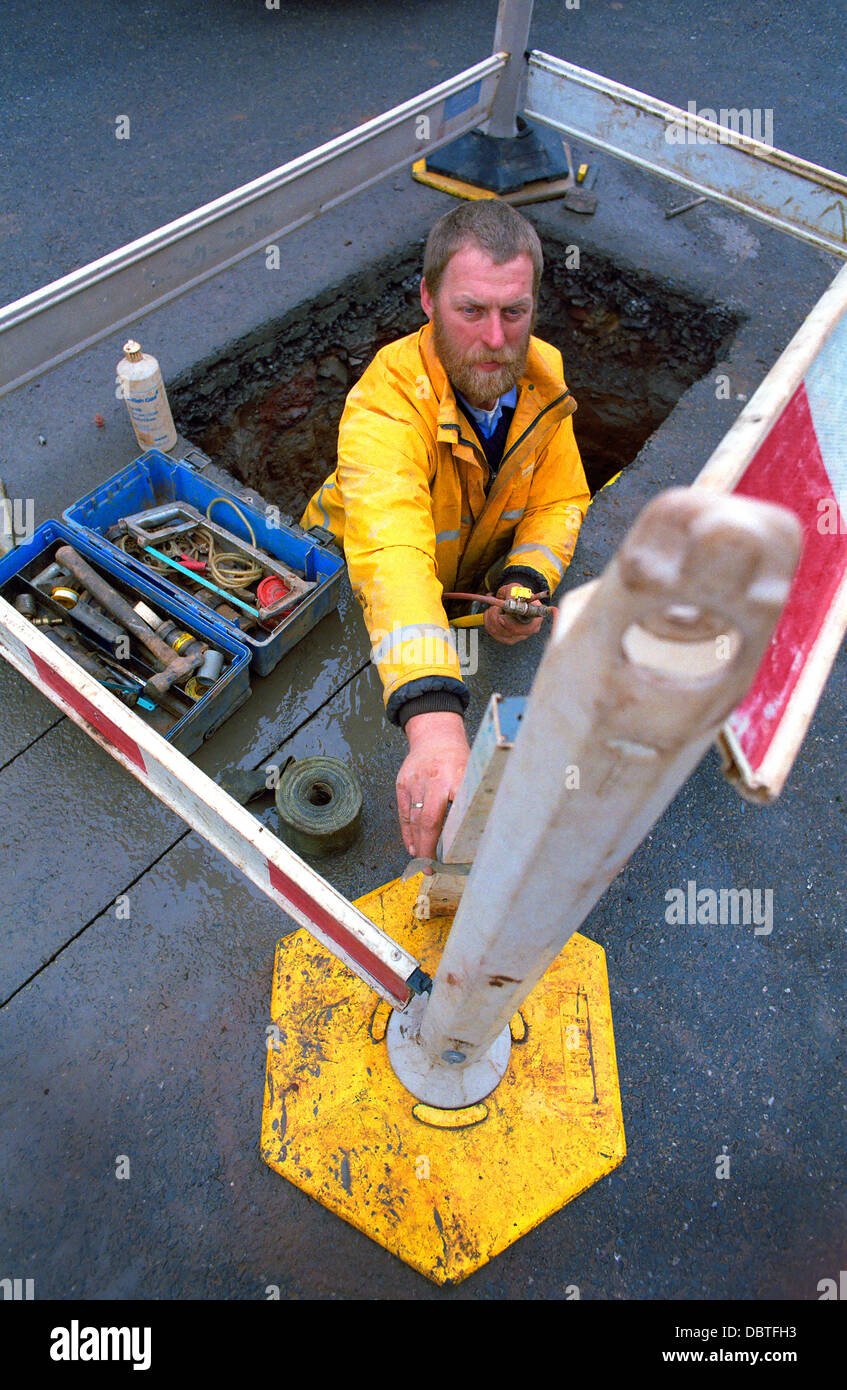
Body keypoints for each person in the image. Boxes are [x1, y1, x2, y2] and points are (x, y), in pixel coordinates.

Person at [302, 199, 590, 860]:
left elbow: (560, 498)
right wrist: (433, 723)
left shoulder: (543, 382)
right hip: (351, 595)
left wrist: (526, 576)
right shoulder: (385, 403)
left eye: (513, 312)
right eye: (471, 311)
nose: (495, 339)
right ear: (428, 300)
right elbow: (392, 551)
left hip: (454, 593)